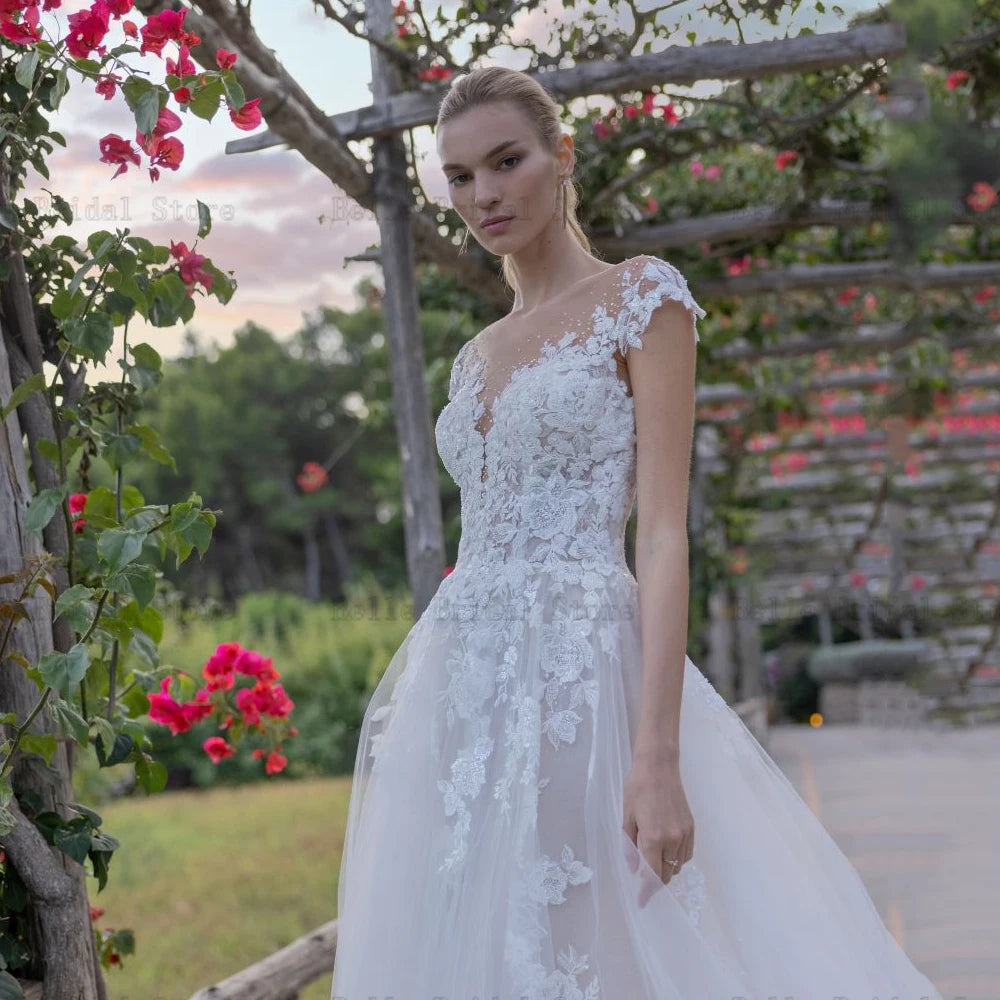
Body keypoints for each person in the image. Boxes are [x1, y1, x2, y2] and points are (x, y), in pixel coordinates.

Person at [330, 66, 944, 1000]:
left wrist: (656, 758)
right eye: (459, 176)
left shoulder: (641, 298)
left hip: (586, 676)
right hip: (464, 687)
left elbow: (660, 535)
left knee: (599, 945)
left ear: (561, 154)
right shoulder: (477, 354)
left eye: (507, 161)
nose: (484, 194)